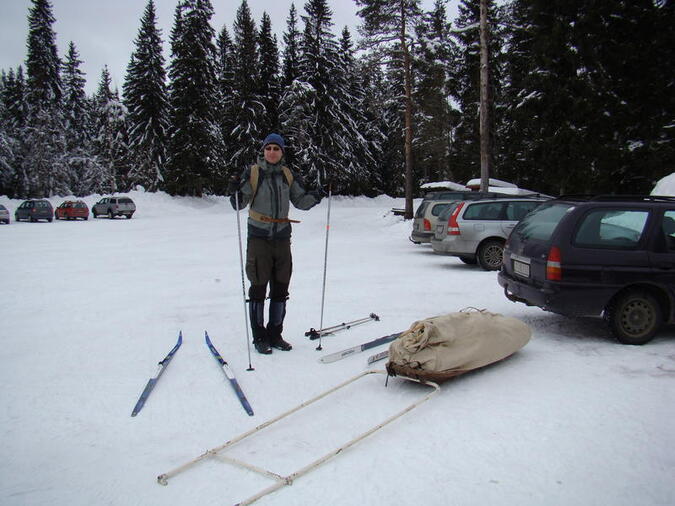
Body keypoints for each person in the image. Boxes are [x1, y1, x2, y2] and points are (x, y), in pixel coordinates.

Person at [229, 133, 322, 354]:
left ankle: (275, 334)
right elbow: (238, 203)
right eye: (268, 148)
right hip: (259, 237)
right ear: (263, 150)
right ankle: (259, 336)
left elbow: (300, 201)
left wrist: (317, 194)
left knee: (281, 287)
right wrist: (234, 188)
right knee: (258, 286)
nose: (272, 152)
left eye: (276, 148)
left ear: (282, 152)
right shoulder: (253, 173)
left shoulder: (287, 175)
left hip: (282, 237)